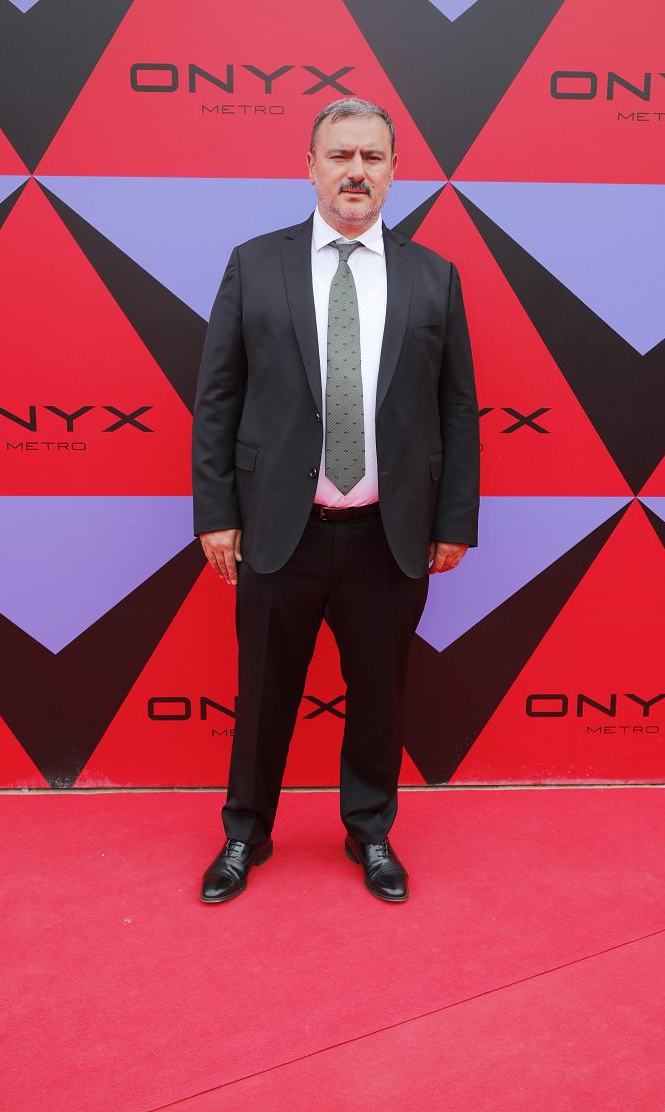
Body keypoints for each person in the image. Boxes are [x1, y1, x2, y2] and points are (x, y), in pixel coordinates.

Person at [191, 96, 479, 904]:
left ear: (393, 171)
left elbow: (457, 408)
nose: (357, 171)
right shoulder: (256, 264)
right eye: (340, 155)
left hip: (388, 534)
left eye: (372, 157)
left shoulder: (434, 276)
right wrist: (218, 513)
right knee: (262, 697)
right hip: (279, 530)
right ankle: (245, 832)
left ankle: (370, 830)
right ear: (310, 167)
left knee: (380, 695)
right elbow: (218, 399)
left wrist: (454, 520)